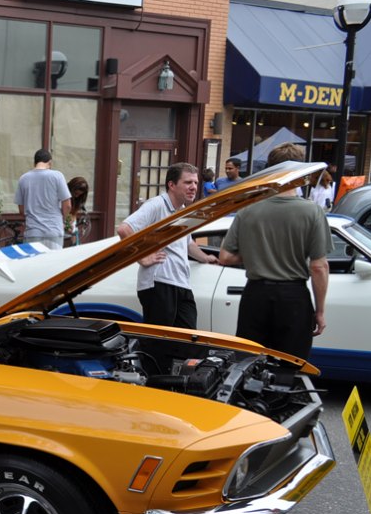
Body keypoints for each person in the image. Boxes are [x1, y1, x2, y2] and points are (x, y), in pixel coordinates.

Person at [218, 143, 332, 361]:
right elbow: (319, 267)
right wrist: (320, 311)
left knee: (248, 364)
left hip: (255, 296)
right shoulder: (312, 211)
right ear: (300, 172)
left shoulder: (248, 209)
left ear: (271, 169)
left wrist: (256, 252)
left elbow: (225, 256)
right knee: (291, 365)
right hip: (294, 298)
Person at [116, 162, 218, 328]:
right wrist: (143, 257)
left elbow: (188, 243)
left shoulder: (184, 211)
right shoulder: (156, 205)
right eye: (187, 182)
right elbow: (124, 229)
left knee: (187, 340)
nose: (193, 187)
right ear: (171, 185)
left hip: (181, 283)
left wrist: (206, 258)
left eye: (195, 183)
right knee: (160, 344)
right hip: (159, 283)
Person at [14, 148, 71, 250]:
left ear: (34, 163)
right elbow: (67, 205)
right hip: (54, 231)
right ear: (50, 163)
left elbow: (21, 210)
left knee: (34, 265)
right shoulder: (57, 176)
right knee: (54, 263)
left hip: (32, 232)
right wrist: (62, 219)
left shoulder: (23, 178)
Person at [65, 176, 89, 245]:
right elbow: (66, 214)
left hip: (71, 233)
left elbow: (72, 215)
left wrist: (73, 228)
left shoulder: (76, 201)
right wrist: (68, 226)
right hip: (64, 234)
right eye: (76, 194)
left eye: (79, 195)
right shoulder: (64, 198)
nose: (77, 196)